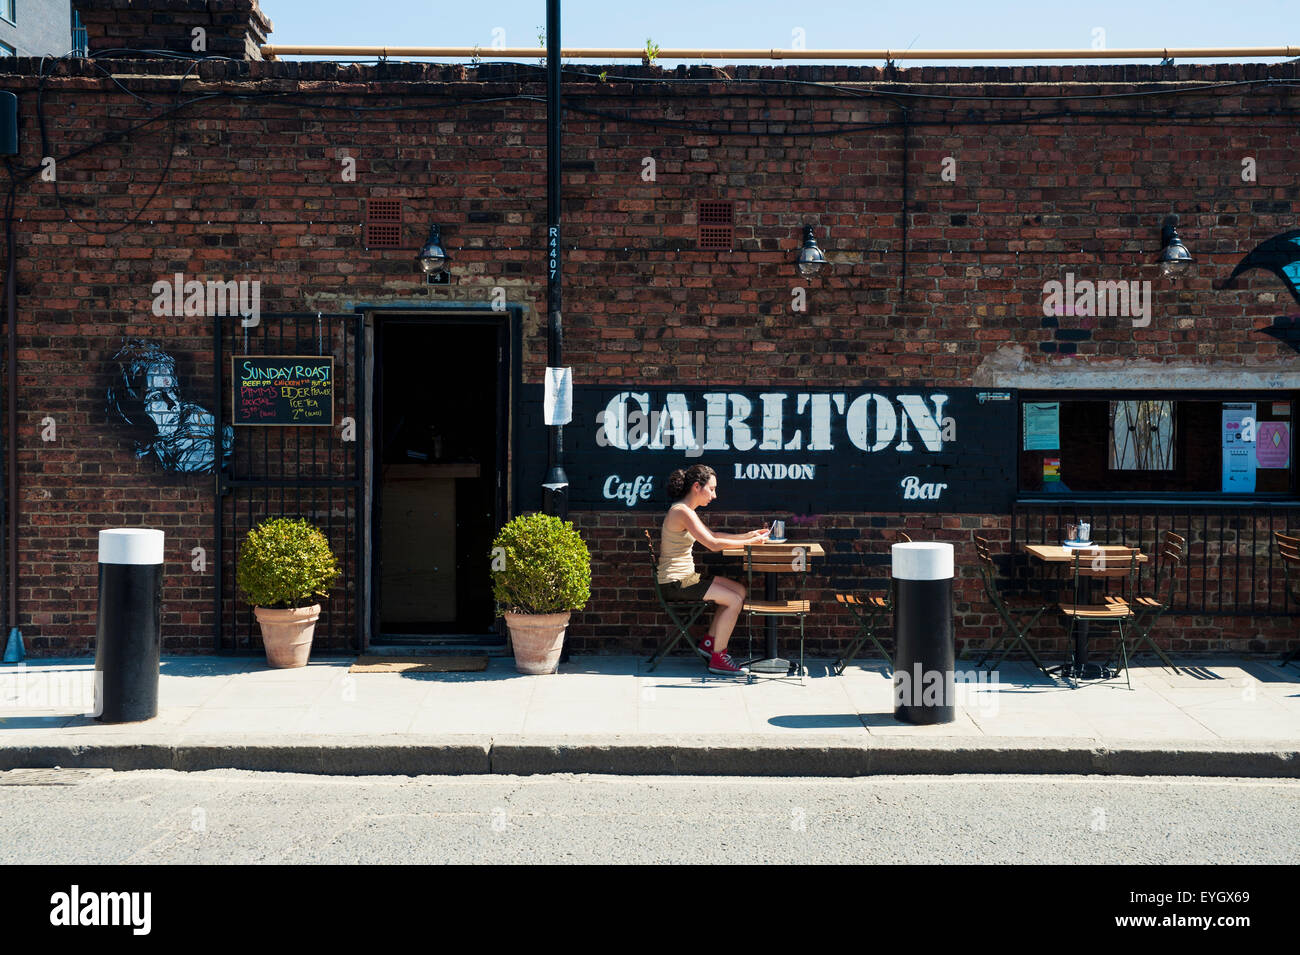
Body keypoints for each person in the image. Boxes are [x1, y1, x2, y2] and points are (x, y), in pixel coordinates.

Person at [658, 464, 770, 675]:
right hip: (676, 582)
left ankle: (709, 645)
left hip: (685, 578)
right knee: (734, 600)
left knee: (739, 590)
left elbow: (714, 534)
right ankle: (719, 658)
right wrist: (750, 543)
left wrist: (748, 535)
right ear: (697, 487)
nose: (715, 495)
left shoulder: (685, 510)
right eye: (712, 489)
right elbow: (713, 544)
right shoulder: (681, 511)